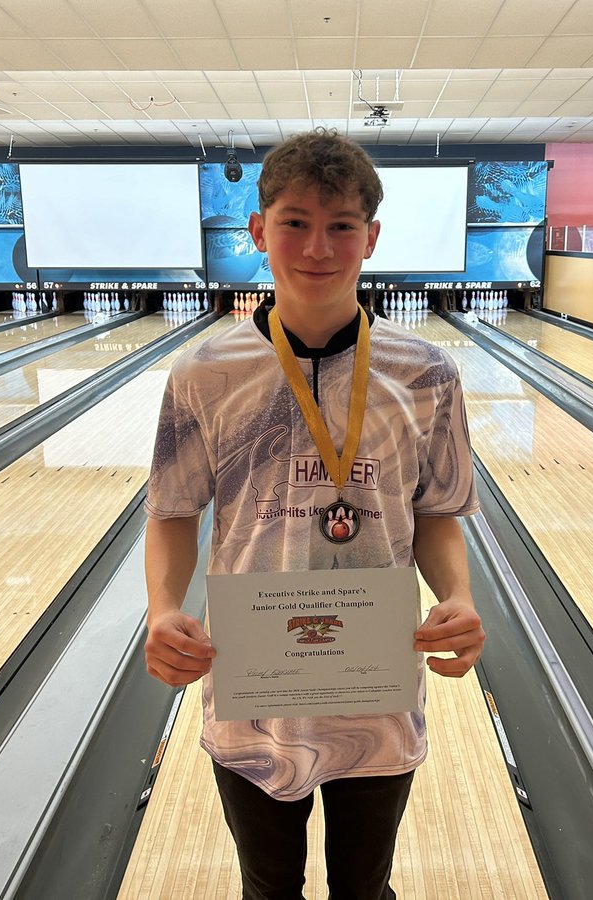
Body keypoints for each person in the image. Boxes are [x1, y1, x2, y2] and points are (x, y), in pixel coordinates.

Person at [144, 127, 485, 900]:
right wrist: (163, 608)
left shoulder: (427, 372)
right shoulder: (204, 372)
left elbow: (437, 512)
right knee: (269, 891)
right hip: (254, 696)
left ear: (371, 235)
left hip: (376, 688)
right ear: (259, 230)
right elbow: (170, 510)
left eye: (340, 226)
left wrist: (458, 598)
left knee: (365, 890)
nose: (318, 246)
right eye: (295, 221)